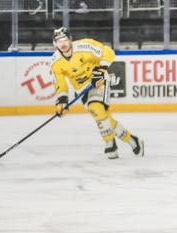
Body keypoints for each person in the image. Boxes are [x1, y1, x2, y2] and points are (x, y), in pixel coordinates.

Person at [51, 27, 144, 159]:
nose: (63, 44)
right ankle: (133, 141)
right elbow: (60, 83)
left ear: (70, 39)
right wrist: (61, 102)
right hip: (82, 91)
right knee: (104, 118)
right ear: (55, 44)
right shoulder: (55, 62)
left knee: (96, 108)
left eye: (65, 39)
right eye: (59, 41)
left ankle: (110, 143)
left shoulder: (85, 46)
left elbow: (108, 52)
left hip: (100, 81)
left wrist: (100, 71)